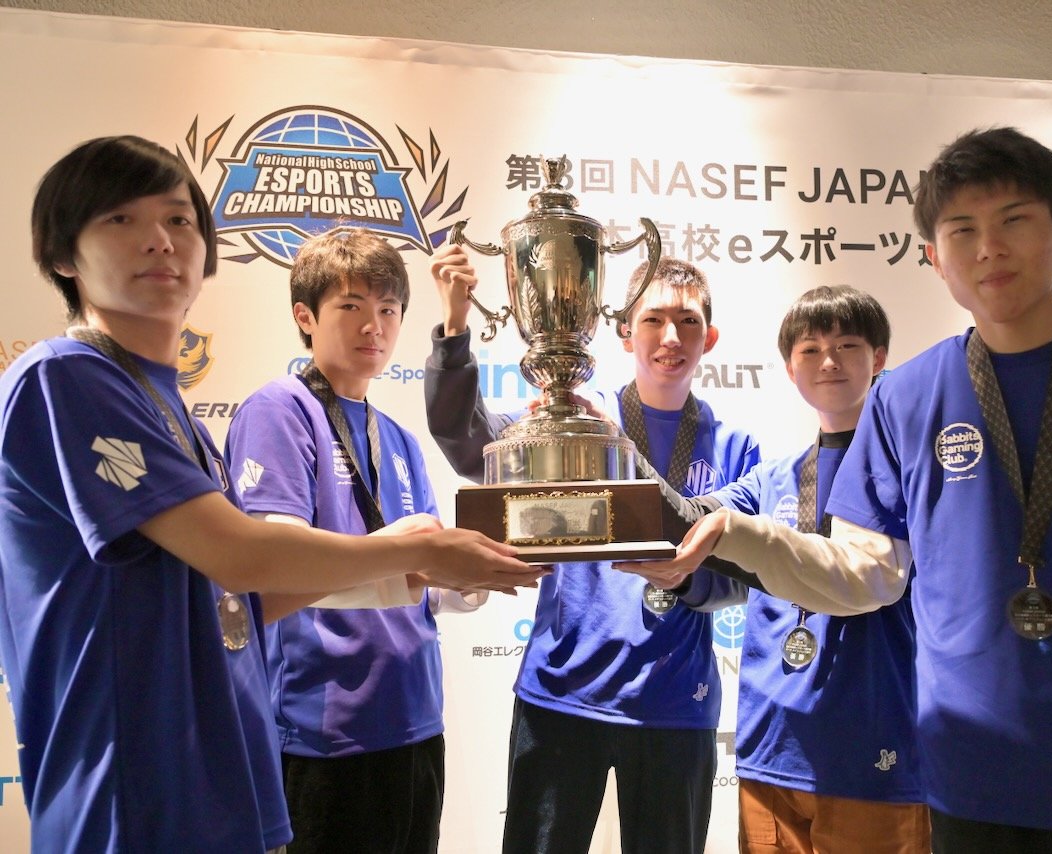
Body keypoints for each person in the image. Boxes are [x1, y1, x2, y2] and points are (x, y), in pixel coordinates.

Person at [626, 127, 1052, 853]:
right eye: (961, 230)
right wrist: (736, 535)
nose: (988, 248)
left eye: (1013, 220)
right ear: (934, 258)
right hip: (972, 778)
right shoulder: (905, 396)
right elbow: (865, 572)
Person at [0, 135, 543, 853]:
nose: (159, 240)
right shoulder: (66, 376)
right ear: (63, 255)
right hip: (131, 792)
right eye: (120, 219)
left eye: (178, 219)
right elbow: (244, 556)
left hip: (225, 779)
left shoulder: (178, 418)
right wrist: (417, 551)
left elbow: (239, 602)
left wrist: (420, 570)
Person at [425, 248, 760, 854]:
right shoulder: (580, 418)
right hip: (562, 690)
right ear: (626, 330)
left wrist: (685, 575)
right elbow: (472, 444)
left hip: (674, 701)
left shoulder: (735, 447)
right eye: (654, 319)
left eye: (687, 322)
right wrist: (453, 331)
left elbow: (741, 578)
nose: (670, 337)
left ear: (709, 338)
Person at [623, 285, 929, 854]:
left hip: (873, 746)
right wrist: (613, 444)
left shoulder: (911, 471)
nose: (828, 361)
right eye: (810, 349)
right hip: (772, 745)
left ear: (880, 358)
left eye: (847, 345)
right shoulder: (774, 478)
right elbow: (684, 519)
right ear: (790, 368)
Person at [224, 227, 483, 853]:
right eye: (351, 306)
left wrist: (469, 581)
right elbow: (275, 570)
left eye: (389, 309)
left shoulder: (399, 438)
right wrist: (416, 555)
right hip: (323, 729)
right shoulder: (279, 410)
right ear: (305, 317)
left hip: (415, 718)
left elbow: (419, 579)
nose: (375, 326)